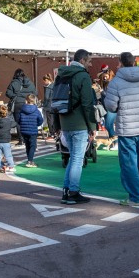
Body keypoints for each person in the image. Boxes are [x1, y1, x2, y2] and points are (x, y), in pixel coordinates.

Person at [104, 52, 139, 206]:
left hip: (127, 127)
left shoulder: (116, 82)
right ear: (134, 62)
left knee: (129, 163)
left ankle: (135, 196)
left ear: (120, 62)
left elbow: (111, 106)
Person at [53, 49, 97, 205]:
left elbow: (55, 102)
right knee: (77, 159)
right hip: (79, 123)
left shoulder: (60, 75)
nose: (90, 64)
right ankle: (73, 192)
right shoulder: (83, 76)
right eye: (89, 61)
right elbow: (87, 104)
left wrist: (56, 125)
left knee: (73, 158)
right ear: (83, 60)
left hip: (64, 122)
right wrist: (92, 126)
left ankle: (67, 191)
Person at [5, 69, 36, 145]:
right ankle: (28, 138)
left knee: (18, 122)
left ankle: (21, 139)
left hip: (18, 104)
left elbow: (8, 93)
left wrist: (15, 96)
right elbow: (35, 93)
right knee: (28, 120)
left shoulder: (14, 82)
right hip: (28, 103)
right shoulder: (30, 82)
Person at [18, 94, 44, 168]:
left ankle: (29, 159)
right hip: (33, 130)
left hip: (24, 130)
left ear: (26, 100)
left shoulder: (22, 110)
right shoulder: (36, 110)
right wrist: (36, 124)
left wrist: (22, 124)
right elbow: (41, 120)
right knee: (33, 146)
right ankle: (30, 161)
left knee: (27, 145)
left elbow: (19, 120)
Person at [42, 74, 56, 141]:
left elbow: (46, 97)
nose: (44, 82)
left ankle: (52, 134)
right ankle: (55, 133)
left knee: (49, 120)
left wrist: (43, 103)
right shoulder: (54, 85)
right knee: (54, 120)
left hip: (48, 106)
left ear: (47, 80)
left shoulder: (48, 87)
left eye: (44, 81)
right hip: (54, 105)